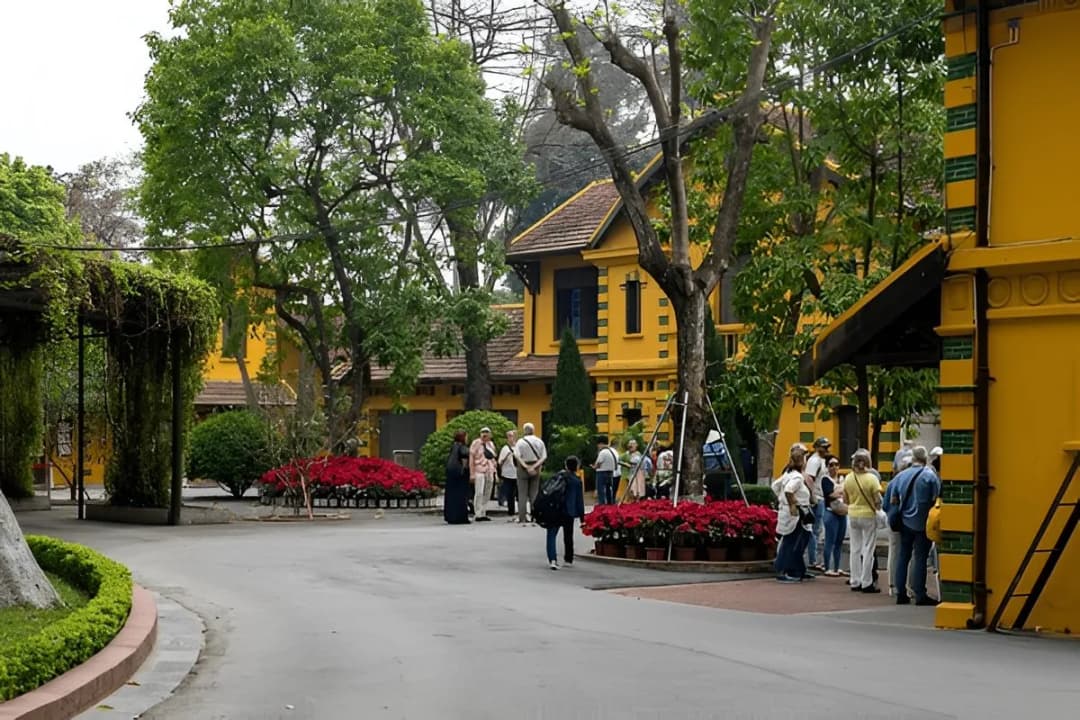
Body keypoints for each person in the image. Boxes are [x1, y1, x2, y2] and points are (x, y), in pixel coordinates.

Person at [888, 446, 942, 606]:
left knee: (903, 556)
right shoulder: (929, 475)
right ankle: (920, 593)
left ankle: (900, 592)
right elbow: (936, 497)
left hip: (904, 522)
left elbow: (893, 498)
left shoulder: (901, 476)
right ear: (925, 458)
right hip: (923, 522)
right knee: (920, 558)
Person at [843, 448, 882, 593]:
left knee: (855, 549)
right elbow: (877, 500)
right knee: (868, 549)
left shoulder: (848, 478)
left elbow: (845, 499)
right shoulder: (871, 478)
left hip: (853, 514)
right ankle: (867, 582)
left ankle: (855, 580)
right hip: (868, 515)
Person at [773, 449, 813, 583]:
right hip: (795, 514)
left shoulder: (788, 474)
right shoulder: (797, 477)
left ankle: (798, 569)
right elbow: (789, 490)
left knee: (798, 541)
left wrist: (781, 500)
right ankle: (784, 570)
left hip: (791, 513)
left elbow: (775, 486)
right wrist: (792, 503)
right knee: (791, 542)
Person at [546, 455, 586, 570]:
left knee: (551, 534)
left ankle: (552, 559)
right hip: (569, 511)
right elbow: (579, 501)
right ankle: (568, 559)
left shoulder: (557, 477)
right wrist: (582, 518)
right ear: (577, 467)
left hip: (555, 509)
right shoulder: (577, 481)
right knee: (568, 535)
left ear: (565, 465)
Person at [803, 437, 830, 573]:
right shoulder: (814, 461)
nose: (826, 449)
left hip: (820, 497)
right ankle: (813, 560)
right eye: (823, 447)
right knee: (814, 530)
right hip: (817, 498)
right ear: (817, 447)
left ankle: (813, 559)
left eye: (827, 447)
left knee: (816, 530)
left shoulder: (820, 460)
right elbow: (809, 478)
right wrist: (813, 496)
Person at [821, 455, 848, 577]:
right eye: (831, 465)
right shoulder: (825, 480)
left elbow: (846, 493)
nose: (834, 467)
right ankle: (827, 567)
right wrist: (839, 493)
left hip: (842, 512)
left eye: (836, 464)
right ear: (827, 467)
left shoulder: (842, 479)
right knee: (830, 540)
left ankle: (837, 567)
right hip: (831, 512)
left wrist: (838, 493)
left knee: (839, 541)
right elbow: (829, 494)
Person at [515, 422, 547, 524]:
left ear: (525, 431)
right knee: (534, 493)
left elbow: (517, 455)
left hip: (523, 467)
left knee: (522, 494)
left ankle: (522, 517)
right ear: (533, 430)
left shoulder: (520, 442)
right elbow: (544, 456)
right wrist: (534, 466)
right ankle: (535, 516)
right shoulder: (539, 441)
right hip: (536, 466)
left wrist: (526, 466)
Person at [469, 427, 497, 522]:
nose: (485, 434)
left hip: (489, 470)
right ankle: (478, 513)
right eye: (483, 432)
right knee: (479, 492)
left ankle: (483, 511)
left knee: (487, 492)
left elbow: (493, 458)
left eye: (487, 432)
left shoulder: (491, 444)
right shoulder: (476, 443)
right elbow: (471, 458)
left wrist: (495, 472)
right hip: (479, 469)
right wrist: (472, 473)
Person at [443, 430, 471, 525]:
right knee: (461, 496)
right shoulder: (463, 447)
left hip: (451, 473)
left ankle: (450, 516)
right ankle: (460, 517)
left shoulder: (453, 446)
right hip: (460, 474)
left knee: (451, 496)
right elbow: (465, 459)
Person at [592, 435, 620, 505]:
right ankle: (610, 504)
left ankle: (602, 505)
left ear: (601, 443)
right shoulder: (612, 451)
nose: (598, 446)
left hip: (602, 473)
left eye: (598, 444)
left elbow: (598, 463)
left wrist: (594, 467)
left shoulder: (603, 452)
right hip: (610, 473)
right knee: (609, 491)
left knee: (601, 491)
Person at [497, 430, 519, 518]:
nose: (511, 438)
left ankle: (518, 510)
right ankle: (511, 510)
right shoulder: (505, 448)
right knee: (509, 493)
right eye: (509, 436)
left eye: (512, 436)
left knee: (517, 493)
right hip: (507, 474)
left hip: (517, 473)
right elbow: (500, 462)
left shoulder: (518, 447)